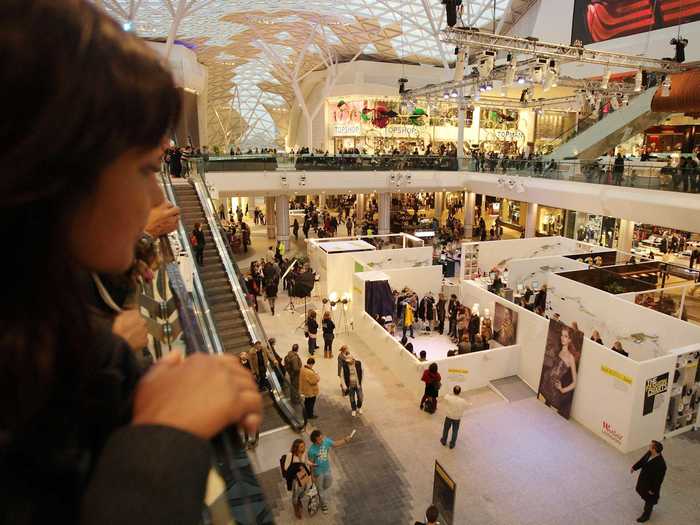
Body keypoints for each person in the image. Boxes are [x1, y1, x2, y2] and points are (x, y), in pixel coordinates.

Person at [1, 2, 262, 523]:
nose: (152, 197)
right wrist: (163, 440)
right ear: (62, 176)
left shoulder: (47, 333)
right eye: (145, 168)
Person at [308, 429, 354, 514]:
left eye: (321, 438)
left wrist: (345, 440)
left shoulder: (326, 441)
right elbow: (311, 463)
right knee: (321, 491)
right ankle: (323, 504)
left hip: (327, 469)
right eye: (319, 440)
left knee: (328, 483)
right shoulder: (311, 451)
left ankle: (318, 491)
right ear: (314, 441)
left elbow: (335, 443)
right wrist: (312, 476)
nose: (322, 440)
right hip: (318, 472)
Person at [541, 326, 579, 416]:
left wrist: (562, 390)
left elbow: (575, 382)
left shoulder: (571, 357)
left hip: (554, 391)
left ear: (570, 339)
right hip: (545, 384)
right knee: (539, 411)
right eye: (562, 335)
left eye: (565, 336)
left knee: (550, 416)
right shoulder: (558, 349)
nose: (562, 338)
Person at [631, 440, 667, 522]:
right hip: (644, 480)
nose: (649, 446)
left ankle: (646, 515)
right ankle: (649, 505)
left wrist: (653, 490)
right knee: (640, 490)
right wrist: (634, 467)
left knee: (649, 500)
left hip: (651, 486)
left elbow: (659, 480)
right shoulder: (649, 453)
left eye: (650, 446)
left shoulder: (661, 465)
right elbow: (642, 460)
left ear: (654, 449)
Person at [283, 438, 314, 520]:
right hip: (295, 478)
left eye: (304, 446)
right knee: (295, 494)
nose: (303, 448)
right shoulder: (290, 455)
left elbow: (306, 461)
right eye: (301, 447)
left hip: (303, 475)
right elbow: (286, 468)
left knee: (304, 490)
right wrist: (297, 467)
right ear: (296, 448)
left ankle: (299, 499)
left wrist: (312, 464)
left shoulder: (304, 452)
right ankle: (296, 508)